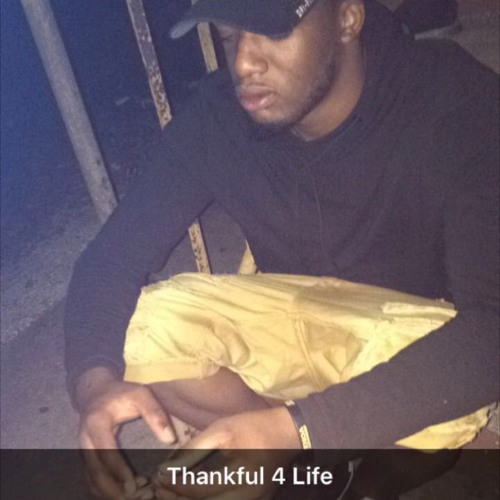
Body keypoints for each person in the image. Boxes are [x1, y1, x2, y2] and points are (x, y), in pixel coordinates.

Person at [64, 0, 499, 498]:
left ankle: (349, 453)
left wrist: (299, 428)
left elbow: (491, 330)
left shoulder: (456, 102)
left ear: (347, 18)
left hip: (421, 352)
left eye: (270, 32)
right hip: (302, 336)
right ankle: (301, 463)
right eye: (229, 36)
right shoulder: (220, 118)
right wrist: (93, 388)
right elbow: (112, 259)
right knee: (139, 329)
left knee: (464, 380)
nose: (244, 63)